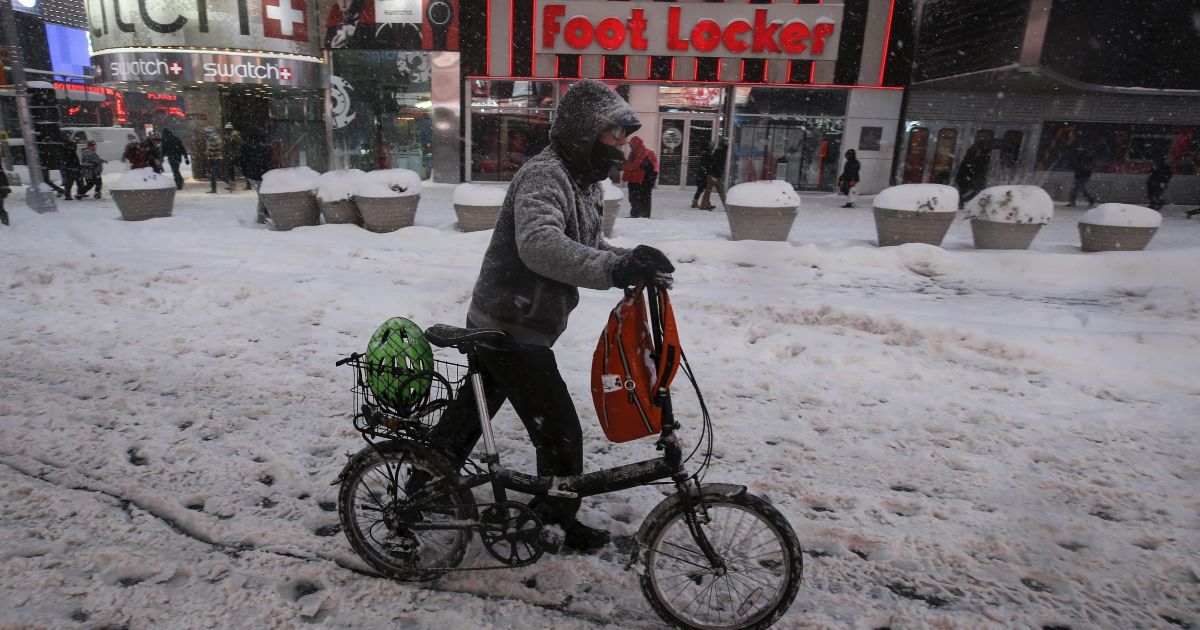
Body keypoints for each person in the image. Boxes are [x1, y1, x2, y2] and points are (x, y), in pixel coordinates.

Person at [426, 79, 675, 553]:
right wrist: (614, 268)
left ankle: (423, 480)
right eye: (614, 135)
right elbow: (540, 246)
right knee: (559, 433)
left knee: (470, 413)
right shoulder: (545, 175)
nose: (622, 146)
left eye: (624, 136)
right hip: (509, 324)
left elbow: (586, 245)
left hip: (522, 321)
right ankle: (556, 520)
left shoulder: (583, 182)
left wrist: (632, 260)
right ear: (584, 133)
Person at [239, 129, 276, 224]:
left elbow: (242, 162)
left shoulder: (245, 147)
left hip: (252, 176)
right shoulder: (266, 148)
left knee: (262, 196)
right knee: (263, 197)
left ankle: (264, 214)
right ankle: (261, 217)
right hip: (262, 176)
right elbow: (269, 163)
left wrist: (246, 173)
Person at [622, 135, 658, 218]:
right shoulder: (633, 153)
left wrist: (651, 178)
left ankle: (644, 215)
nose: (631, 146)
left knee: (644, 197)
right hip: (634, 178)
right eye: (630, 144)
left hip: (645, 179)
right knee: (633, 197)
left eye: (632, 144)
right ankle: (635, 214)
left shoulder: (648, 153)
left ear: (636, 144)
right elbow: (630, 164)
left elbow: (655, 166)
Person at [954, 138, 993, 206]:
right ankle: (962, 202)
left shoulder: (972, 155)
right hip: (969, 178)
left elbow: (964, 167)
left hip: (966, 178)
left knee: (969, 192)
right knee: (975, 192)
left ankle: (961, 202)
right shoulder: (980, 157)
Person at [699, 137, 728, 210]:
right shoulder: (719, 151)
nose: (727, 143)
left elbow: (717, 163)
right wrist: (715, 173)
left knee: (714, 190)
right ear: (722, 143)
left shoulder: (722, 151)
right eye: (726, 142)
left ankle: (705, 204)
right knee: (713, 190)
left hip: (716, 174)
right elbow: (715, 163)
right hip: (714, 175)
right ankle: (704, 205)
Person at [59, 133, 83, 201]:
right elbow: (72, 150)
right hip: (72, 166)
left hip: (72, 166)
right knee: (75, 181)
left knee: (73, 182)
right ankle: (76, 194)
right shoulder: (69, 147)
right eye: (69, 137)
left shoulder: (66, 146)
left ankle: (72, 194)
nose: (71, 139)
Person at [222, 124, 245, 191]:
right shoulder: (227, 136)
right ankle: (232, 185)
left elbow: (240, 143)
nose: (227, 131)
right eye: (226, 130)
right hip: (230, 156)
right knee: (230, 171)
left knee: (242, 170)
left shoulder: (235, 135)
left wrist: (232, 139)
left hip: (237, 155)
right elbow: (226, 146)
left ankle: (248, 184)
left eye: (228, 130)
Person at [204, 126, 226, 193]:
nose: (204, 133)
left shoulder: (211, 138)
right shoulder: (217, 136)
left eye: (205, 131)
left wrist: (207, 152)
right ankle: (230, 183)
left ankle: (214, 189)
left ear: (208, 132)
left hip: (214, 158)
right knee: (218, 174)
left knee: (213, 174)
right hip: (217, 157)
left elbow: (212, 148)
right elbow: (220, 146)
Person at [691, 138, 711, 209]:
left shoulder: (704, 153)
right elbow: (707, 164)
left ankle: (697, 202)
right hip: (704, 174)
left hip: (702, 173)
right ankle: (703, 203)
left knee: (702, 189)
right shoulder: (706, 154)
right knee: (704, 189)